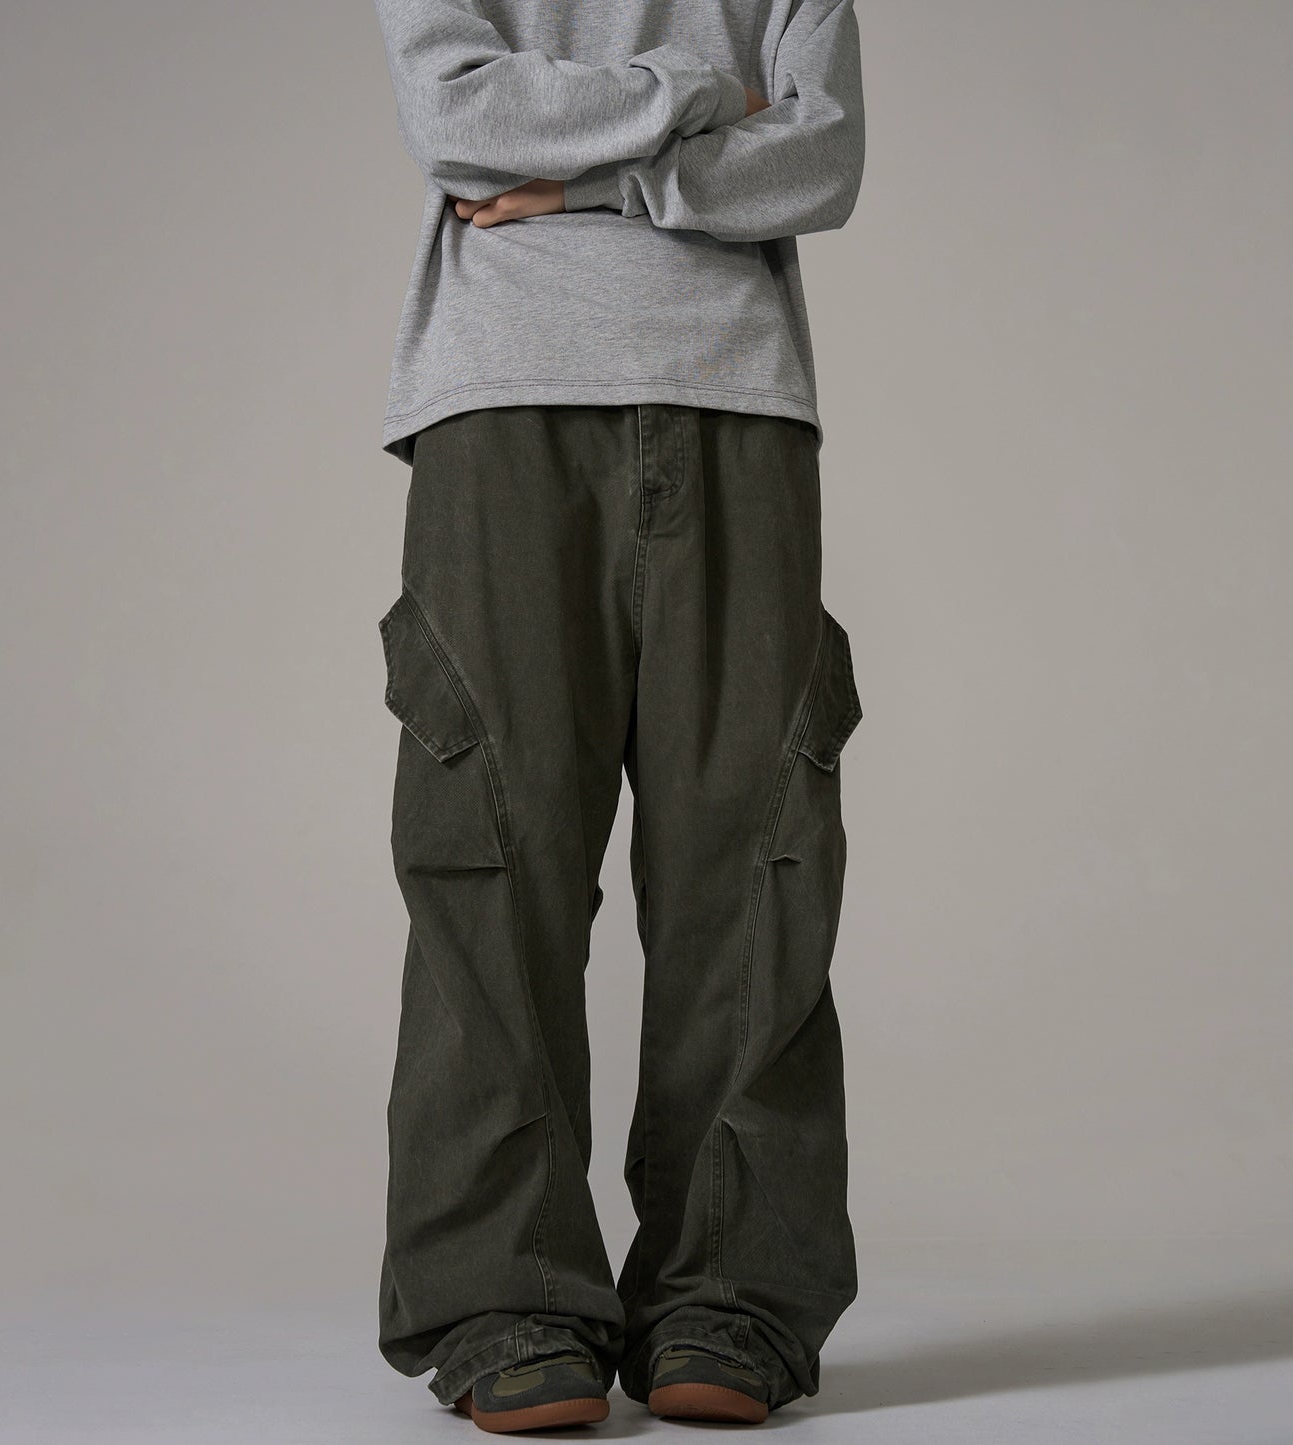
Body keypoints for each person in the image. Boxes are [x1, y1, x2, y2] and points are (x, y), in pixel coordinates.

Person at [367, 0, 866, 1431]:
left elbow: (820, 159)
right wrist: (704, 93)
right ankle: (501, 1299)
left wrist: (587, 178)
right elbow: (457, 116)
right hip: (501, 391)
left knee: (752, 857)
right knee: (493, 852)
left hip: (736, 393)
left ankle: (729, 1295)